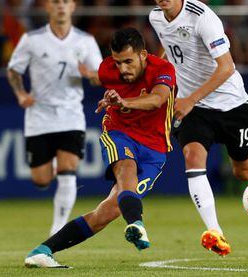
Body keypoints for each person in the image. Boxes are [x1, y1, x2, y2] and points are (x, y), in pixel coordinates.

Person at [23, 27, 176, 268]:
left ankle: (41, 251)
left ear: (143, 55)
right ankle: (136, 223)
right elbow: (106, 81)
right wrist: (108, 95)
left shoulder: (164, 70)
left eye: (128, 61)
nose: (122, 69)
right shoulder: (108, 70)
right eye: (118, 62)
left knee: (107, 212)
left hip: (155, 149)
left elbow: (157, 99)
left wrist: (121, 100)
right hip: (119, 134)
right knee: (127, 172)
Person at [149, 0, 248, 256]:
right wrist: (152, 74)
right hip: (195, 109)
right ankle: (215, 231)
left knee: (242, 171)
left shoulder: (203, 17)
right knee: (192, 158)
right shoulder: (156, 17)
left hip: (231, 105)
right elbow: (166, 45)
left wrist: (189, 99)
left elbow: (226, 67)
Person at [7, 0, 102, 236]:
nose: (61, 6)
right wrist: (20, 94)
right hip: (39, 116)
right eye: (56, 2)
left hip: (71, 115)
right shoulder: (32, 39)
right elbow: (13, 69)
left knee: (68, 169)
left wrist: (89, 74)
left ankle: (57, 230)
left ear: (73, 7)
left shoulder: (85, 41)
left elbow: (102, 76)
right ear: (48, 7)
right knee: (41, 180)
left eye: (65, 2)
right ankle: (49, 181)